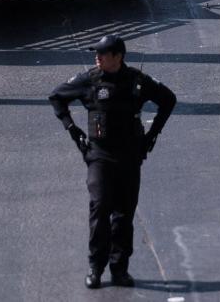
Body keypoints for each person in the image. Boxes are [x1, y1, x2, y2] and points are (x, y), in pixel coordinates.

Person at [49, 34, 176, 289]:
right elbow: (57, 97)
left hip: (129, 155)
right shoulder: (89, 80)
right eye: (96, 53)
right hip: (100, 155)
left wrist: (152, 135)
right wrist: (72, 128)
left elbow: (168, 100)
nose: (97, 57)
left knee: (124, 214)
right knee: (100, 207)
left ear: (118, 57)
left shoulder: (137, 81)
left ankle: (119, 269)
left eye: (102, 53)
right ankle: (96, 267)